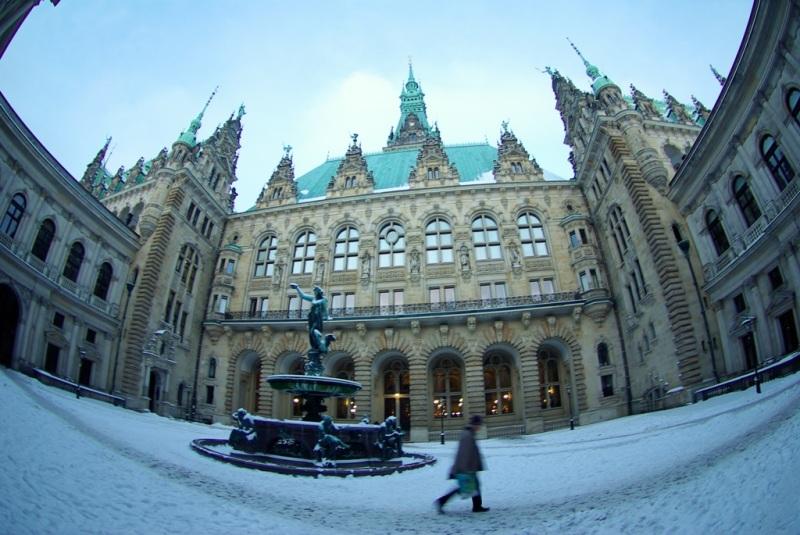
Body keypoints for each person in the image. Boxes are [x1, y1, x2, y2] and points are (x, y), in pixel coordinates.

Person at [435, 414, 489, 513]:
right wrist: (465, 469)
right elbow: (464, 454)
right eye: (479, 425)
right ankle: (441, 501)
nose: (480, 427)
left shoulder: (469, 433)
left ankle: (477, 506)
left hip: (470, 467)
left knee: (473, 485)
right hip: (467, 468)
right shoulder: (467, 435)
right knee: (464, 487)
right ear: (475, 424)